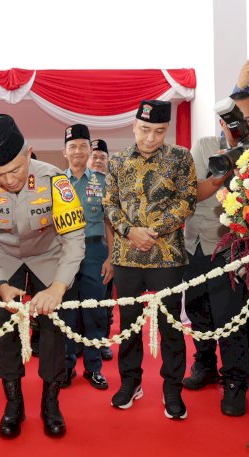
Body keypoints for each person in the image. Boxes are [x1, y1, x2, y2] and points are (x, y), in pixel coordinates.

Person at [0, 114, 85, 438]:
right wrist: (1, 285)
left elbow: (74, 240)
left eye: (16, 170)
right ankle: (13, 404)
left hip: (49, 261)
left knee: (52, 333)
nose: (8, 180)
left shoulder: (55, 180)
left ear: (29, 152)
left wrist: (58, 288)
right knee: (7, 333)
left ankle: (51, 404)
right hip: (6, 264)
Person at [103, 99, 197, 420]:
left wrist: (152, 231)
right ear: (133, 126)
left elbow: (187, 200)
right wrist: (130, 231)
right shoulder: (117, 162)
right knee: (128, 324)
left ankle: (172, 387)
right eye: (144, 130)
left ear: (166, 130)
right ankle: (131, 382)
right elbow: (110, 204)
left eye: (158, 131)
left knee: (170, 325)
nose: (150, 138)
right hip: (126, 257)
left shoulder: (180, 158)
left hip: (167, 257)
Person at [182, 92, 249, 417]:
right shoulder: (202, 146)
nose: (242, 126)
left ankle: (235, 382)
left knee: (231, 318)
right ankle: (204, 365)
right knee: (198, 309)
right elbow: (193, 189)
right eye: (235, 119)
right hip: (196, 244)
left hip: (233, 247)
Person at [58, 124, 113, 390]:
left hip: (94, 252)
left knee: (95, 312)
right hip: (64, 252)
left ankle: (93, 368)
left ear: (90, 150)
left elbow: (109, 222)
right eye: (73, 146)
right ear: (65, 152)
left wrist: (110, 257)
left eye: (83, 146)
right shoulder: (56, 183)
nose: (78, 151)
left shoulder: (102, 181)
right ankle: (67, 366)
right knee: (66, 311)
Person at [88, 138, 114, 361]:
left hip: (107, 249)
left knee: (103, 300)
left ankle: (103, 340)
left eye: (102, 158)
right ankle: (81, 342)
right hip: (83, 250)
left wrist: (111, 254)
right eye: (94, 156)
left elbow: (112, 221)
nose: (97, 161)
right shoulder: (74, 182)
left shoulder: (111, 184)